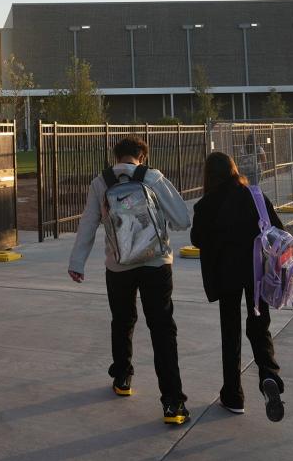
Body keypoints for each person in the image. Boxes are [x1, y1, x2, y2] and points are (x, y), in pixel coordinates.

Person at [68, 135, 193, 425]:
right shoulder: (153, 177)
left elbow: (88, 222)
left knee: (122, 320)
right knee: (162, 330)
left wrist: (77, 263)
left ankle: (122, 377)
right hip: (156, 264)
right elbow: (182, 220)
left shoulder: (100, 183)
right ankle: (173, 403)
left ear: (117, 156)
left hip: (118, 265)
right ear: (142, 157)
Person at [190, 150, 287, 422]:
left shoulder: (206, 205)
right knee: (259, 326)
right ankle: (269, 374)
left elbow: (197, 239)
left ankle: (233, 396)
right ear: (233, 169)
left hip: (225, 277)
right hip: (257, 275)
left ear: (209, 175)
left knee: (230, 333)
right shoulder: (254, 195)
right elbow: (277, 228)